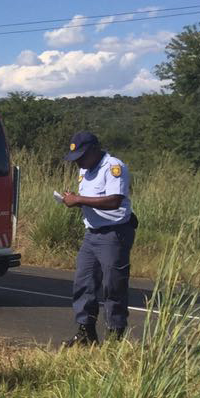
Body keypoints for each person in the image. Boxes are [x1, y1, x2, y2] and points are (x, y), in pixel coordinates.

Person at [59, 131, 137, 345]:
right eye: (76, 160)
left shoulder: (113, 167)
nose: (79, 163)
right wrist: (73, 200)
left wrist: (79, 199)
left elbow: (114, 201)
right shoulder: (85, 171)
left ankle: (115, 335)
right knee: (84, 283)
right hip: (92, 233)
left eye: (82, 157)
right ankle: (86, 333)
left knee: (113, 285)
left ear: (94, 150)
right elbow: (89, 199)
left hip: (114, 233)